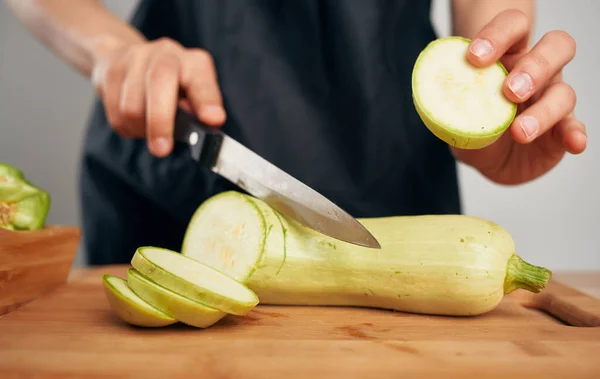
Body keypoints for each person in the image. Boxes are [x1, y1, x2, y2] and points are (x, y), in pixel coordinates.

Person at [6, 1, 586, 265]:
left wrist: (494, 89)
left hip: (389, 161)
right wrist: (113, 54)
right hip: (175, 155)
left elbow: (490, 21)